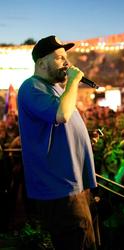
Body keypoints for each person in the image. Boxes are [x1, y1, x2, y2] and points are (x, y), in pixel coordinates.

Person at [17, 35, 98, 250]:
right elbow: (61, 115)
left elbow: (63, 126)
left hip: (73, 186)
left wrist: (85, 138)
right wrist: (73, 81)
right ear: (42, 63)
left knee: (87, 242)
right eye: (60, 58)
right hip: (60, 188)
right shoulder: (32, 87)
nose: (67, 63)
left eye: (66, 58)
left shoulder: (55, 88)